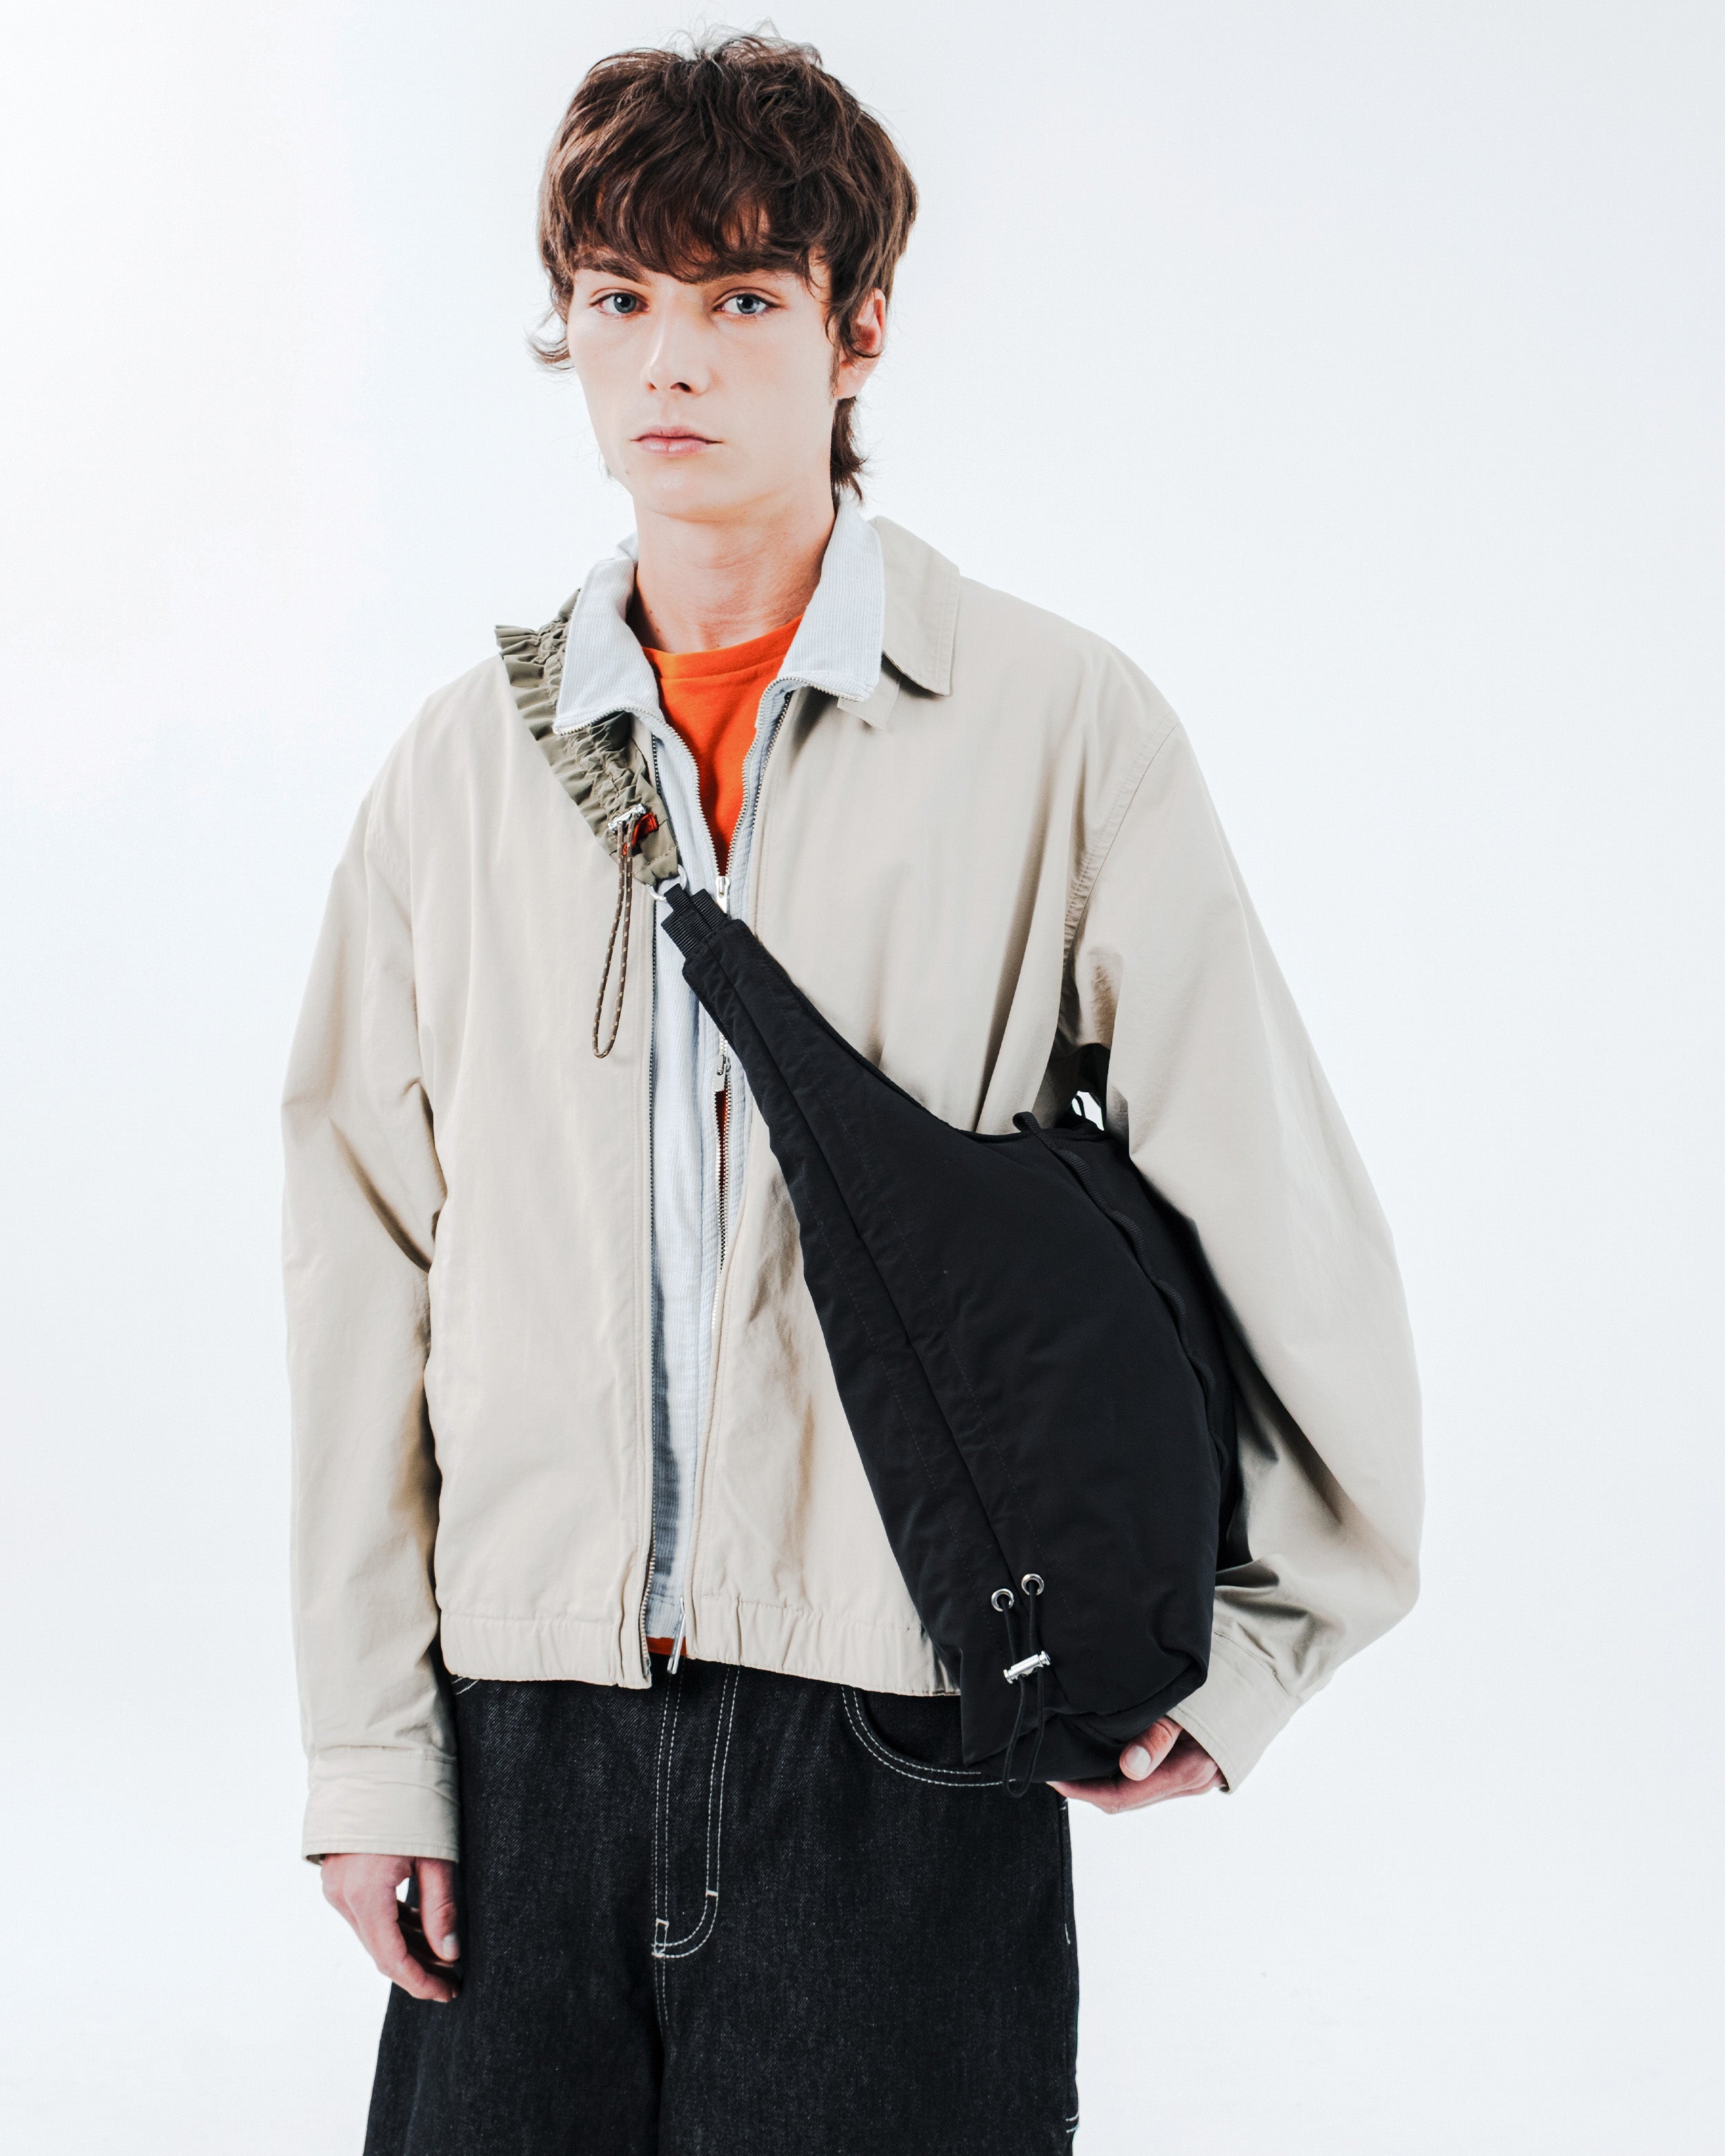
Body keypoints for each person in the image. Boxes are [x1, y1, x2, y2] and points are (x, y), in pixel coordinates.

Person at [283, 31, 1423, 2155]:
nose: (667, 360)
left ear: (856, 326)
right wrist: (370, 1747)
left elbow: (1260, 1178)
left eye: (739, 296)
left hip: (904, 1722)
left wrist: (1271, 1635)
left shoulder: (1051, 726)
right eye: (617, 297)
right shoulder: (460, 773)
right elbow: (361, 1264)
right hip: (522, 1739)